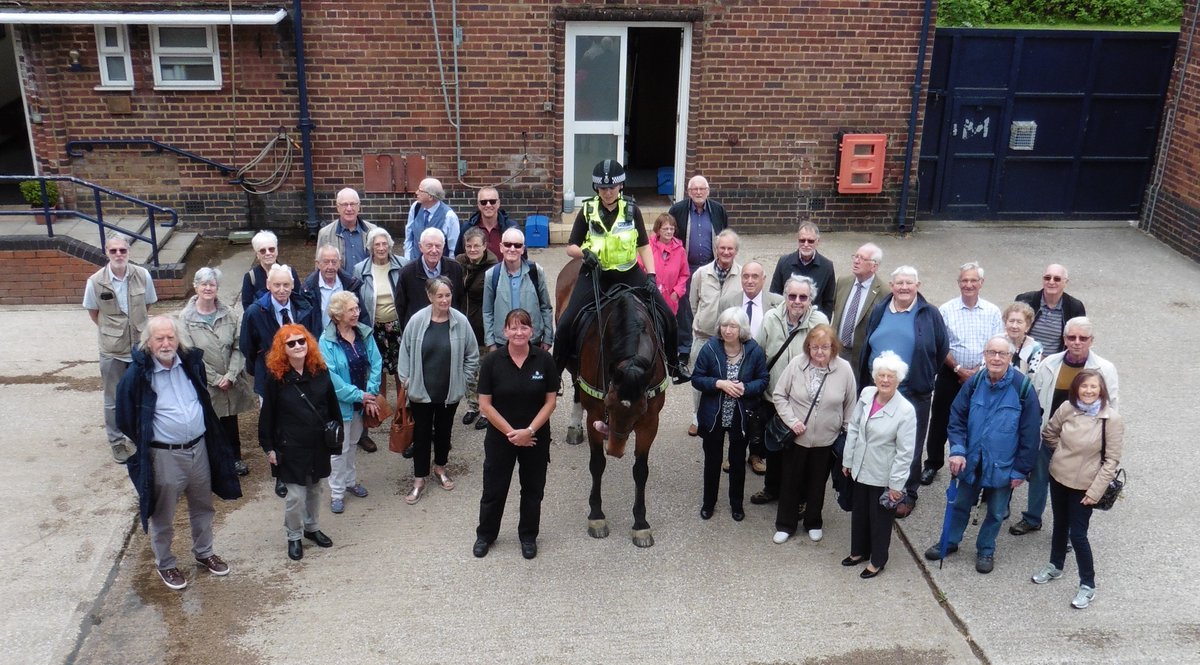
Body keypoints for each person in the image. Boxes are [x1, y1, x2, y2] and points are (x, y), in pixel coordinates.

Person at [116, 316, 241, 590]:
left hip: (198, 449)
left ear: (178, 339)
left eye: (170, 337)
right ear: (148, 343)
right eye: (159, 338)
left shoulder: (190, 363)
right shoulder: (137, 375)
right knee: (163, 514)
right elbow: (124, 416)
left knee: (203, 506)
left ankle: (204, 552)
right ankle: (167, 565)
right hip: (164, 456)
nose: (165, 343)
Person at [552, 159, 683, 383]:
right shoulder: (587, 210)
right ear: (596, 189)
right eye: (603, 188)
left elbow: (643, 245)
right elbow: (570, 247)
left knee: (669, 316)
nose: (607, 192)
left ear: (620, 186)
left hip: (628, 273)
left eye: (611, 187)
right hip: (596, 274)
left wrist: (651, 275)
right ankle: (554, 376)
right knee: (565, 323)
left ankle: (674, 365)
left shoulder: (632, 210)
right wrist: (585, 253)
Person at [923, 335, 1041, 575]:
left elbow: (1030, 435)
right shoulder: (974, 383)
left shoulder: (1023, 388)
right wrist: (957, 450)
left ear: (1010, 357)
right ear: (984, 356)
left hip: (1002, 466)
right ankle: (950, 542)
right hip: (970, 461)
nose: (996, 358)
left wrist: (1020, 470)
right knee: (959, 505)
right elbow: (956, 418)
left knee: (996, 513)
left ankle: (986, 549)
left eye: (1002, 354)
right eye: (991, 353)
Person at [1012, 316, 1119, 536]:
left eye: (1083, 338)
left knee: (1074, 485)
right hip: (1050, 433)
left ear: (1091, 340)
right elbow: (1036, 396)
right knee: (1039, 477)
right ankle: (1032, 518)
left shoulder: (1105, 369)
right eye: (1072, 337)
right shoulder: (1049, 363)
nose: (1077, 342)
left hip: (1083, 440)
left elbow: (1112, 406)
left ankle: (1070, 531)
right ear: (1064, 339)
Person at [857, 265, 948, 517]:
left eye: (909, 283)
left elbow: (941, 349)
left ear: (918, 285)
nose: (904, 287)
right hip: (879, 387)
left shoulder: (929, 314)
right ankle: (878, 484)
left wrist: (923, 376)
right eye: (899, 283)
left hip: (913, 389)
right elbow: (868, 341)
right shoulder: (879, 310)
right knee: (878, 437)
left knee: (911, 444)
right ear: (892, 285)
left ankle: (907, 493)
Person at [1033, 370, 1123, 610]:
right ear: (1076, 389)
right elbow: (1050, 434)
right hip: (1059, 478)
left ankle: (1088, 584)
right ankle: (1055, 565)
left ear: (1101, 389)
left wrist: (1095, 491)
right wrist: (1061, 455)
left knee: (1078, 535)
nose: (1089, 391)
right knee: (1060, 524)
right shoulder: (1067, 408)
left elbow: (1111, 461)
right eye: (1084, 387)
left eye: (1094, 387)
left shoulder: (1111, 419)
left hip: (1086, 486)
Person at [473, 309, 559, 560]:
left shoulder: (544, 360)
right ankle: (486, 534)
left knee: (533, 489)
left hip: (535, 437)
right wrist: (513, 433)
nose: (519, 332)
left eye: (524, 327)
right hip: (502, 437)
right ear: (505, 331)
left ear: (532, 331)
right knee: (494, 488)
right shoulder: (492, 362)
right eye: (513, 327)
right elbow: (485, 405)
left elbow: (550, 402)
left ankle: (528, 536)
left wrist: (529, 431)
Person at [258, 324, 339, 561]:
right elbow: (268, 416)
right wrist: (269, 447)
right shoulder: (276, 378)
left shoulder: (320, 371)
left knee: (316, 489)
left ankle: (311, 528)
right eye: (291, 343)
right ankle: (294, 536)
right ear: (282, 348)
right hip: (290, 446)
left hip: (317, 444)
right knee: (295, 496)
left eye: (301, 341)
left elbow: (332, 406)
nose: (297, 346)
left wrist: (335, 438)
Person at [769, 324, 857, 544]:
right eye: (815, 347)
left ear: (833, 347)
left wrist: (847, 434)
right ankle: (785, 524)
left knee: (818, 482)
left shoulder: (844, 369)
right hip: (797, 438)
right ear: (808, 346)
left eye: (825, 347)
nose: (819, 352)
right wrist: (792, 421)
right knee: (790, 480)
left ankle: (813, 522)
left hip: (827, 439)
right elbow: (779, 395)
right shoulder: (796, 364)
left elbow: (850, 405)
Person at [398, 277, 480, 505]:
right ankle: (418, 480)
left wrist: (462, 380)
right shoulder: (416, 321)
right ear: (430, 297)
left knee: (444, 433)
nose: (445, 300)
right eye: (440, 296)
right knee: (421, 435)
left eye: (448, 295)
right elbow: (404, 351)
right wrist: (406, 379)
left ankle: (440, 468)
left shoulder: (461, 322)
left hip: (449, 391)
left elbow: (472, 356)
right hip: (421, 390)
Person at [922, 262, 1003, 486]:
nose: (968, 285)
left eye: (973, 280)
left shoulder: (992, 312)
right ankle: (933, 463)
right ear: (959, 283)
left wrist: (978, 371)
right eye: (964, 281)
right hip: (950, 373)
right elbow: (940, 345)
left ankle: (973, 463)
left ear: (981, 283)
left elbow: (997, 344)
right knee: (940, 419)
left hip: (982, 376)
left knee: (978, 420)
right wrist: (958, 369)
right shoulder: (946, 310)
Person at [750, 275, 829, 505]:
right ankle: (771, 488)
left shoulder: (819, 322)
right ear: (784, 296)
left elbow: (827, 358)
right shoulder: (771, 318)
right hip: (774, 396)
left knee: (800, 453)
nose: (797, 301)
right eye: (792, 296)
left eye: (803, 297)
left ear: (810, 300)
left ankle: (801, 498)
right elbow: (759, 352)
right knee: (774, 446)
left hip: (805, 403)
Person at [841, 351, 916, 578]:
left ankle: (877, 560)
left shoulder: (905, 411)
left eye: (890, 376)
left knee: (880, 520)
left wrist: (896, 485)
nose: (885, 380)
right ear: (874, 377)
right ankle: (858, 552)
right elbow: (854, 428)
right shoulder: (866, 394)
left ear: (898, 380)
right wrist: (848, 460)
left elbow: (905, 452)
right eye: (881, 375)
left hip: (884, 474)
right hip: (861, 468)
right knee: (860, 513)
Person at [83, 233, 157, 463]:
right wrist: (114, 332)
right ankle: (116, 442)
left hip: (139, 347)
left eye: (122, 250)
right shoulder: (95, 281)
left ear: (129, 252)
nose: (118, 255)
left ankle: (138, 436)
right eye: (113, 251)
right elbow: (94, 313)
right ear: (106, 252)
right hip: (111, 349)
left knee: (141, 392)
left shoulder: (142, 275)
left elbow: (146, 305)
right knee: (113, 398)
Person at [691, 307, 769, 522]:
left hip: (741, 417)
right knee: (712, 461)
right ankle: (709, 503)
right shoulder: (710, 348)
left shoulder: (753, 351)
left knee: (737, 462)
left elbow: (763, 380)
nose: (727, 330)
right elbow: (697, 378)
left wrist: (744, 388)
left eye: (733, 326)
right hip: (713, 415)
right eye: (724, 325)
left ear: (741, 328)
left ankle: (736, 504)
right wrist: (718, 383)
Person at [178, 267, 257, 476]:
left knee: (230, 421)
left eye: (211, 284)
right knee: (209, 423)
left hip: (230, 382)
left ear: (217, 287)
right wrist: (214, 379)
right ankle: (213, 464)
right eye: (203, 284)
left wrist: (230, 375)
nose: (207, 288)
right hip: (206, 383)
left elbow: (240, 346)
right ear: (195, 287)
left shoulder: (229, 314)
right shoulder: (185, 318)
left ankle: (235, 460)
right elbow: (189, 353)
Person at [481, 227, 555, 431]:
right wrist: (491, 342)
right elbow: (487, 311)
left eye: (517, 245)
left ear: (523, 249)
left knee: (533, 386)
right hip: (503, 341)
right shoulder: (492, 275)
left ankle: (533, 423)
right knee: (505, 386)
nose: (512, 249)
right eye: (508, 244)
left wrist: (548, 336)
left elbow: (545, 306)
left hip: (533, 340)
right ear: (501, 247)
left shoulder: (535, 271)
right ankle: (505, 425)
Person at [318, 292, 382, 515]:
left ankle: (350, 481)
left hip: (361, 401)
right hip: (340, 404)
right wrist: (360, 396)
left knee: (353, 442)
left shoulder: (364, 333)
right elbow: (332, 379)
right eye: (351, 310)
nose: (357, 313)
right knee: (339, 449)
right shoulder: (326, 341)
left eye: (356, 309)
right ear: (337, 314)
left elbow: (376, 362)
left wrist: (370, 393)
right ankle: (337, 492)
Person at [720, 260, 783, 474]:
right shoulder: (729, 300)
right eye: (746, 276)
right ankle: (733, 454)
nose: (749, 280)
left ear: (764, 279)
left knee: (759, 412)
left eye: (755, 276)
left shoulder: (777, 302)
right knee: (734, 412)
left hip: (764, 365)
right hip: (736, 364)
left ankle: (756, 454)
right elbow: (719, 332)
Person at [686, 229, 743, 436]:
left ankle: (724, 419)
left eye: (730, 248)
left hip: (731, 339)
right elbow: (693, 304)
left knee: (728, 380)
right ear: (716, 249)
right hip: (703, 335)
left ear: (736, 251)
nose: (726, 252)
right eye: (722, 248)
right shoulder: (701, 273)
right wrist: (703, 322)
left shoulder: (742, 275)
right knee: (700, 378)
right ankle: (696, 417)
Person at [669, 175, 729, 360]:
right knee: (685, 308)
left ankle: (714, 344)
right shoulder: (677, 210)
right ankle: (685, 349)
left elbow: (725, 234)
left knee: (712, 304)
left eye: (702, 189)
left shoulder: (718, 210)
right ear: (688, 192)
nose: (698, 192)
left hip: (712, 267)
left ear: (708, 191)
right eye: (694, 189)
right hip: (687, 267)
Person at [240, 264, 320, 397]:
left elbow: (313, 339)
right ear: (268, 285)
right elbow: (247, 347)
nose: (282, 290)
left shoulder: (305, 307)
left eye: (286, 285)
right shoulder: (254, 313)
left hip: (301, 376)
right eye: (277, 285)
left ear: (293, 285)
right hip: (270, 378)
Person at [457, 227, 500, 430]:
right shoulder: (458, 264)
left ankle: (485, 410)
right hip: (462, 329)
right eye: (469, 246)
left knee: (484, 372)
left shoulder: (494, 269)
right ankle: (472, 406)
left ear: (485, 246)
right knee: (468, 371)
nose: (472, 249)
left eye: (476, 245)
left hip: (482, 329)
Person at [395, 227, 466, 328]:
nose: (434, 250)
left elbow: (459, 301)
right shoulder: (406, 273)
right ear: (420, 247)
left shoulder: (455, 268)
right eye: (429, 246)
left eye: (438, 246)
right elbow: (400, 308)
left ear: (443, 246)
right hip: (418, 330)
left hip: (449, 328)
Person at [831, 243, 886, 365]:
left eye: (862, 258)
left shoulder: (884, 292)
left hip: (861, 357)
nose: (856, 261)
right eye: (856, 256)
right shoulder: (842, 282)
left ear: (874, 266)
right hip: (836, 351)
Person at [1015, 263, 1086, 356]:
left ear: (1065, 282)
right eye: (1047, 278)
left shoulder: (1075, 307)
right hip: (1022, 359)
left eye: (1057, 279)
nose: (1051, 282)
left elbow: (1080, 339)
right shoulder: (1025, 300)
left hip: (1054, 364)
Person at [769, 222, 836, 317]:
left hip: (813, 322)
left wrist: (823, 324)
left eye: (810, 241)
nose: (806, 244)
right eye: (802, 240)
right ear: (798, 240)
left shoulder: (827, 266)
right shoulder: (784, 262)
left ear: (818, 241)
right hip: (786, 320)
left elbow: (828, 302)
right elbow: (774, 295)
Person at [303, 244, 366, 332]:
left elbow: (362, 315)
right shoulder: (308, 289)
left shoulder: (351, 284)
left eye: (334, 262)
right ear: (318, 264)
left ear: (339, 263)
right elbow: (306, 323)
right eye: (326, 262)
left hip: (348, 339)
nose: (330, 267)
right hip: (319, 341)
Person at [639, 213, 690, 317]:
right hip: (650, 297)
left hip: (670, 300)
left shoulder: (680, 251)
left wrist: (677, 293)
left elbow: (684, 274)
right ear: (658, 230)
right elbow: (639, 268)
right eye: (665, 229)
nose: (669, 232)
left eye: (672, 229)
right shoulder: (648, 247)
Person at [316, 188, 377, 273]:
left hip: (367, 284)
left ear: (359, 206)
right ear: (338, 207)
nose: (349, 209)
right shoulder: (325, 234)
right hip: (340, 284)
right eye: (345, 204)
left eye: (352, 204)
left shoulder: (373, 231)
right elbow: (319, 268)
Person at [239, 231, 301, 311]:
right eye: (262, 251)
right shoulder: (251, 277)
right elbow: (248, 308)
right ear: (257, 255)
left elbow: (299, 300)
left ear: (277, 251)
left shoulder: (290, 272)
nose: (268, 253)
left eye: (271, 249)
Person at [403, 178, 460, 261]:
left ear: (430, 196)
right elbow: (409, 237)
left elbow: (453, 248)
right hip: (415, 264)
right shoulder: (416, 207)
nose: (416, 192)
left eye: (420, 190)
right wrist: (407, 260)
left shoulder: (449, 216)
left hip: (438, 267)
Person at [455, 186, 519, 257]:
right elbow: (459, 255)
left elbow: (521, 255)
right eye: (483, 202)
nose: (488, 205)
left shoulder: (511, 227)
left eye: (492, 202)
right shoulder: (468, 227)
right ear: (478, 205)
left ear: (498, 203)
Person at [1003, 301, 1044, 376]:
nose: (1014, 326)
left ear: (1027, 326)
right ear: (1005, 323)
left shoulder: (1035, 348)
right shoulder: (995, 342)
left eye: (1019, 322)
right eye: (1011, 321)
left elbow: (1033, 378)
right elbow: (984, 370)